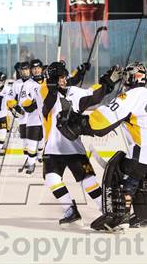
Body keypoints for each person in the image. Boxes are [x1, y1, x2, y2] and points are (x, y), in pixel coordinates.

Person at [57, 62, 147, 230]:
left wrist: (78, 123)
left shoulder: (130, 96)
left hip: (146, 148)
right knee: (146, 177)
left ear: (128, 78)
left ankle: (118, 216)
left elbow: (102, 122)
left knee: (118, 171)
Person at [41, 61, 121, 226]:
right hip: (53, 149)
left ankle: (106, 210)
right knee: (51, 179)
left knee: (88, 180)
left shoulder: (75, 92)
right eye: (58, 78)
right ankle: (70, 209)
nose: (62, 80)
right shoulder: (44, 91)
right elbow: (48, 100)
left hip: (74, 148)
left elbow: (94, 95)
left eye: (63, 77)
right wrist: (52, 84)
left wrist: (108, 81)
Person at [18, 59, 46, 174]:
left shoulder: (48, 82)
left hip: (46, 119)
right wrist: (33, 104)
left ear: (41, 68)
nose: (36, 70)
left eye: (38, 67)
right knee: (32, 143)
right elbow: (24, 103)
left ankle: (41, 157)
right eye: (34, 68)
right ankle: (31, 164)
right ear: (31, 70)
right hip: (33, 119)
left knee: (44, 142)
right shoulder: (27, 84)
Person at [7, 62, 30, 170]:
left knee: (37, 140)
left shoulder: (35, 83)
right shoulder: (16, 84)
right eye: (22, 70)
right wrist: (13, 107)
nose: (24, 72)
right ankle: (28, 160)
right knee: (25, 140)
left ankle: (37, 157)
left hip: (35, 117)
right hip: (23, 117)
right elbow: (10, 99)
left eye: (26, 69)